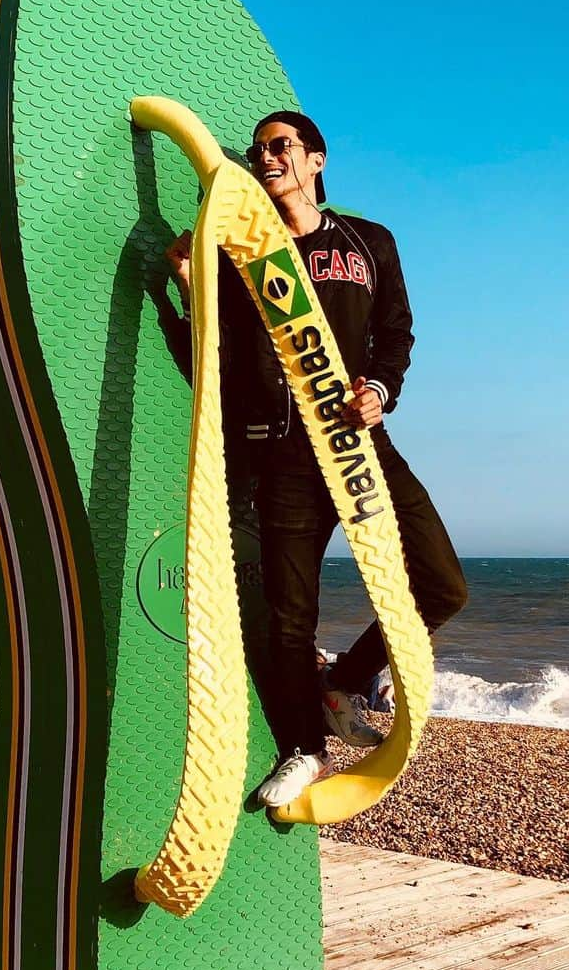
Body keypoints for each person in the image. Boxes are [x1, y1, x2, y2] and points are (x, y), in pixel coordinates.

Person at [165, 111, 467, 808]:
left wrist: (381, 392)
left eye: (280, 147)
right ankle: (306, 747)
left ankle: (347, 680)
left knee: (444, 584)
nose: (266, 158)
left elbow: (395, 333)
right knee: (287, 618)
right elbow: (213, 365)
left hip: (359, 447)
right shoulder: (242, 256)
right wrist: (185, 289)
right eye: (258, 150)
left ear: (315, 158)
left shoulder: (370, 242)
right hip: (280, 455)